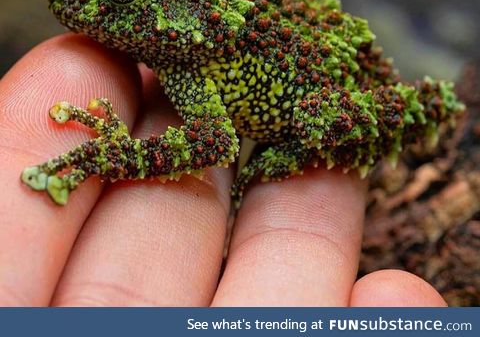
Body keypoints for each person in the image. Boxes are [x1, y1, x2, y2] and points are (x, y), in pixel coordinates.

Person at [0, 34, 446, 307]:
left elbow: (213, 141)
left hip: (333, 87)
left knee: (318, 119)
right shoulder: (180, 60)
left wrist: (115, 155)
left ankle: (302, 146)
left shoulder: (192, 66)